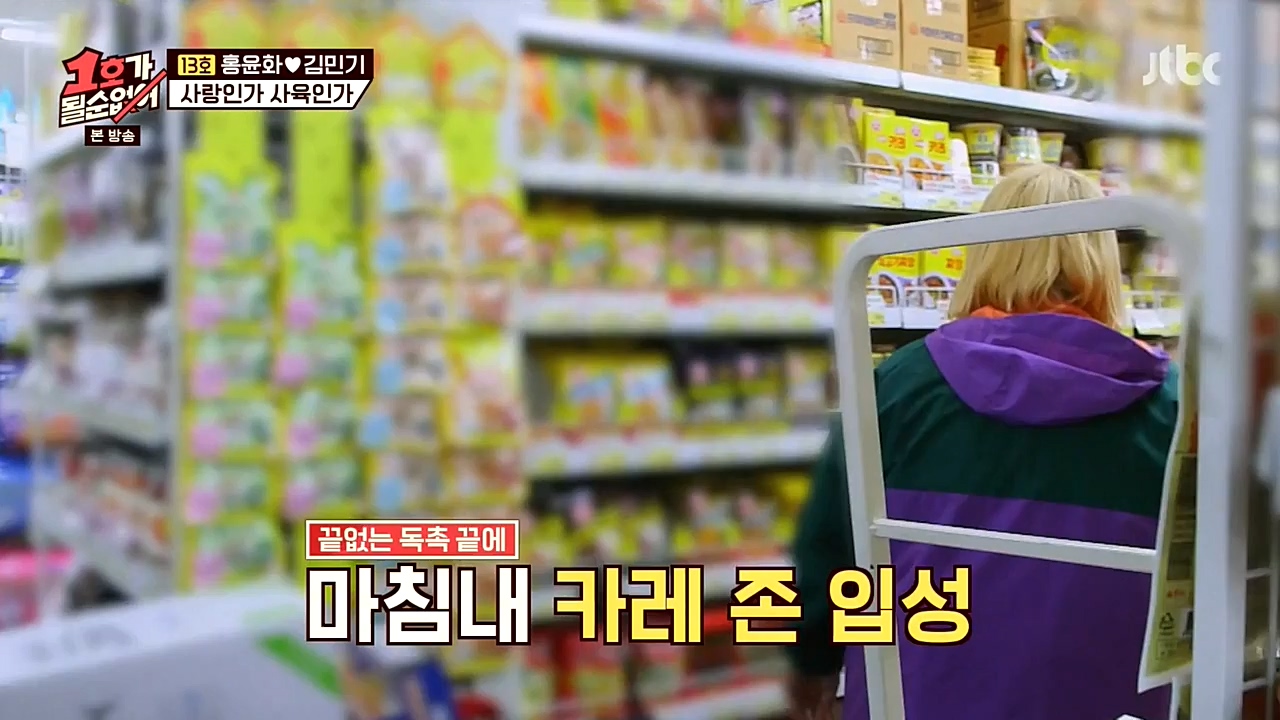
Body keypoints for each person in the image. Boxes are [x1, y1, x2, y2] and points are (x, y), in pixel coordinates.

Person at [786, 164, 1178, 720]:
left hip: (917, 699)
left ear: (982, 253)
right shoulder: (1175, 406)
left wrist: (812, 666)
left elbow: (826, 551)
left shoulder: (895, 386)